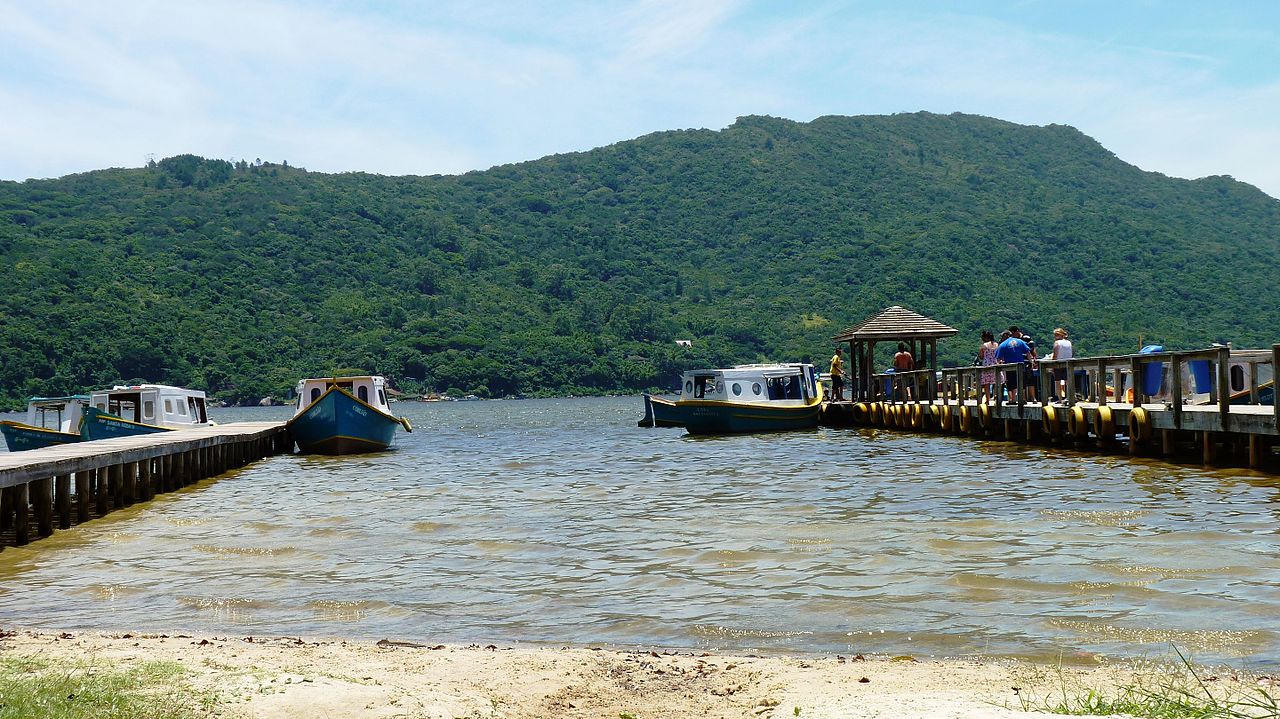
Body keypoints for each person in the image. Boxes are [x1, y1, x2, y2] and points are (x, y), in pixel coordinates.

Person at [995, 329, 1031, 401]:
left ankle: (1012, 399)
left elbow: (998, 359)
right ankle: (1023, 398)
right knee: (1021, 382)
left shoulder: (1003, 345)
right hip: (1020, 365)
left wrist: (999, 368)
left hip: (1009, 366)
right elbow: (1028, 352)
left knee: (1011, 384)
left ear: (1006, 336)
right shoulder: (1020, 341)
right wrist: (1030, 362)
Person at [1050, 327, 1073, 401]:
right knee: (1068, 381)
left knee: (1057, 382)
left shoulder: (1057, 343)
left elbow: (1055, 355)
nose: (1055, 336)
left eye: (1056, 335)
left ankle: (1060, 399)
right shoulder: (1069, 342)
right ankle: (1069, 398)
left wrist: (1052, 365)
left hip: (1058, 364)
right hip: (1068, 363)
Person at [978, 330, 998, 403]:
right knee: (996, 382)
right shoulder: (997, 345)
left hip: (987, 365)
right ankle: (996, 396)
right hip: (995, 364)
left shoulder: (984, 346)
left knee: (987, 383)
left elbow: (981, 356)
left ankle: (988, 399)